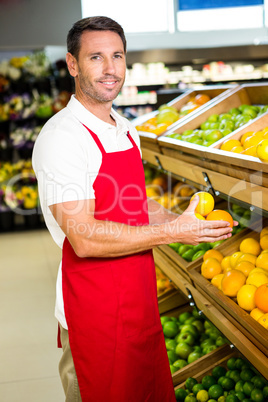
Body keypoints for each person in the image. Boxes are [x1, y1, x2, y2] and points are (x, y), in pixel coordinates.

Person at [32, 16, 234, 402]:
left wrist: (184, 221)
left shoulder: (125, 129)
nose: (110, 69)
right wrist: (173, 233)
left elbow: (133, 202)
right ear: (73, 65)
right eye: (96, 57)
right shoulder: (62, 137)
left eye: (118, 56)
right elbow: (84, 237)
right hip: (93, 312)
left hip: (139, 301)